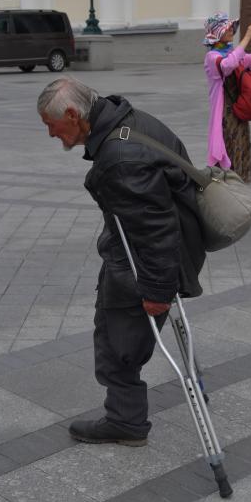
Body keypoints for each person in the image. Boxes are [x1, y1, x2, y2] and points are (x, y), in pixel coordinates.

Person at [37, 78, 205, 446]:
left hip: (145, 264)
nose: (51, 134)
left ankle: (125, 422)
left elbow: (154, 230)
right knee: (120, 338)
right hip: (164, 249)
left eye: (51, 125)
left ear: (72, 114)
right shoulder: (130, 121)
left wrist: (158, 291)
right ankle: (126, 417)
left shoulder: (120, 158)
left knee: (117, 345)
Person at [203, 12, 251, 183]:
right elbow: (227, 65)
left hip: (239, 112)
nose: (232, 31)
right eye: (228, 28)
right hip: (224, 117)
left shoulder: (233, 53)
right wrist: (247, 37)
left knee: (240, 150)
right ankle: (227, 188)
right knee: (228, 152)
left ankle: (238, 187)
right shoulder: (212, 57)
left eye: (233, 27)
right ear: (217, 31)